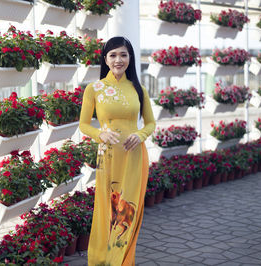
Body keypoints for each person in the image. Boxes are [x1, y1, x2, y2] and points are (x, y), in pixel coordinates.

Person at [79, 36, 156, 265]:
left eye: (123, 54)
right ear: (105, 59)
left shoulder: (139, 90)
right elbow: (83, 124)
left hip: (134, 157)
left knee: (128, 209)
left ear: (130, 58)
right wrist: (99, 134)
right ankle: (104, 258)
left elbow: (150, 123)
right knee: (108, 209)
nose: (118, 60)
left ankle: (121, 260)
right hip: (109, 157)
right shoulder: (94, 89)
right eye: (113, 55)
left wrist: (140, 134)